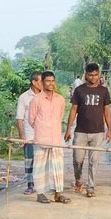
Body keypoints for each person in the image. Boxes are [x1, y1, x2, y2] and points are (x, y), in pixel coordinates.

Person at [65, 63, 111, 197]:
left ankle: (91, 186)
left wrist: (109, 129)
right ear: (86, 74)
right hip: (80, 131)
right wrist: (68, 129)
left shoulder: (103, 91)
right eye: (90, 75)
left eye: (96, 75)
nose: (93, 77)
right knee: (77, 159)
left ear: (99, 74)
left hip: (98, 132)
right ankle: (78, 179)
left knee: (94, 160)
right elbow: (73, 109)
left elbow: (107, 110)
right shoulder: (79, 90)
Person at [27, 71, 70, 204]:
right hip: (41, 139)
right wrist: (42, 128)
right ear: (42, 82)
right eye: (47, 81)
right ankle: (40, 194)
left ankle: (58, 194)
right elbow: (31, 119)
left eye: (52, 81)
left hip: (56, 139)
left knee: (58, 167)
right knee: (40, 167)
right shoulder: (36, 100)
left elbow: (60, 116)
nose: (50, 84)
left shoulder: (60, 99)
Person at [14, 71, 43, 194]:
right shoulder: (24, 97)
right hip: (29, 134)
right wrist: (21, 136)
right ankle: (30, 185)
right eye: (41, 81)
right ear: (34, 82)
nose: (43, 84)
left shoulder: (46, 96)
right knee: (30, 160)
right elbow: (19, 117)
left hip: (43, 134)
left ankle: (43, 185)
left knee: (43, 161)